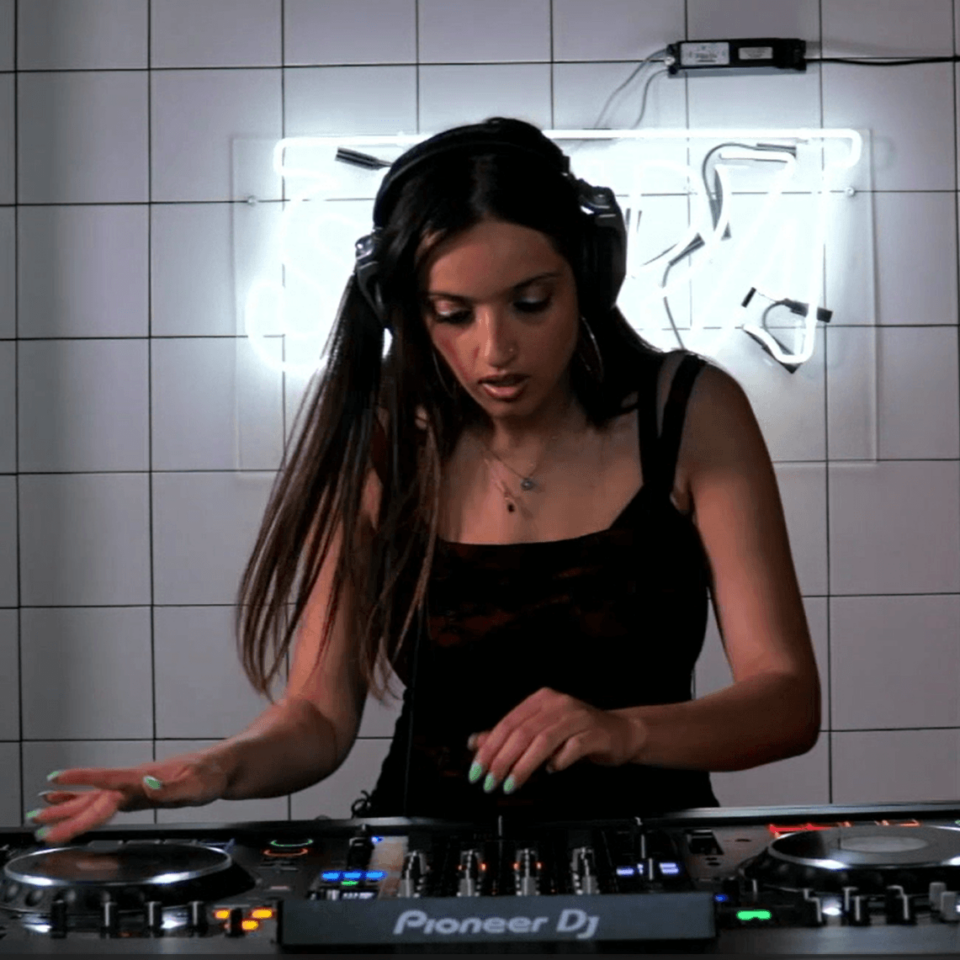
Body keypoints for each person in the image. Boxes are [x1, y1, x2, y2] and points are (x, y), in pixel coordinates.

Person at [29, 118, 820, 843]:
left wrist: (626, 731)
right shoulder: (385, 437)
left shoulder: (688, 412)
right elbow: (316, 716)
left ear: (590, 274)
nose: (495, 349)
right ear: (406, 309)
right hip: (423, 858)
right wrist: (213, 771)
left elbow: (786, 699)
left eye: (531, 303)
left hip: (652, 854)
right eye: (453, 313)